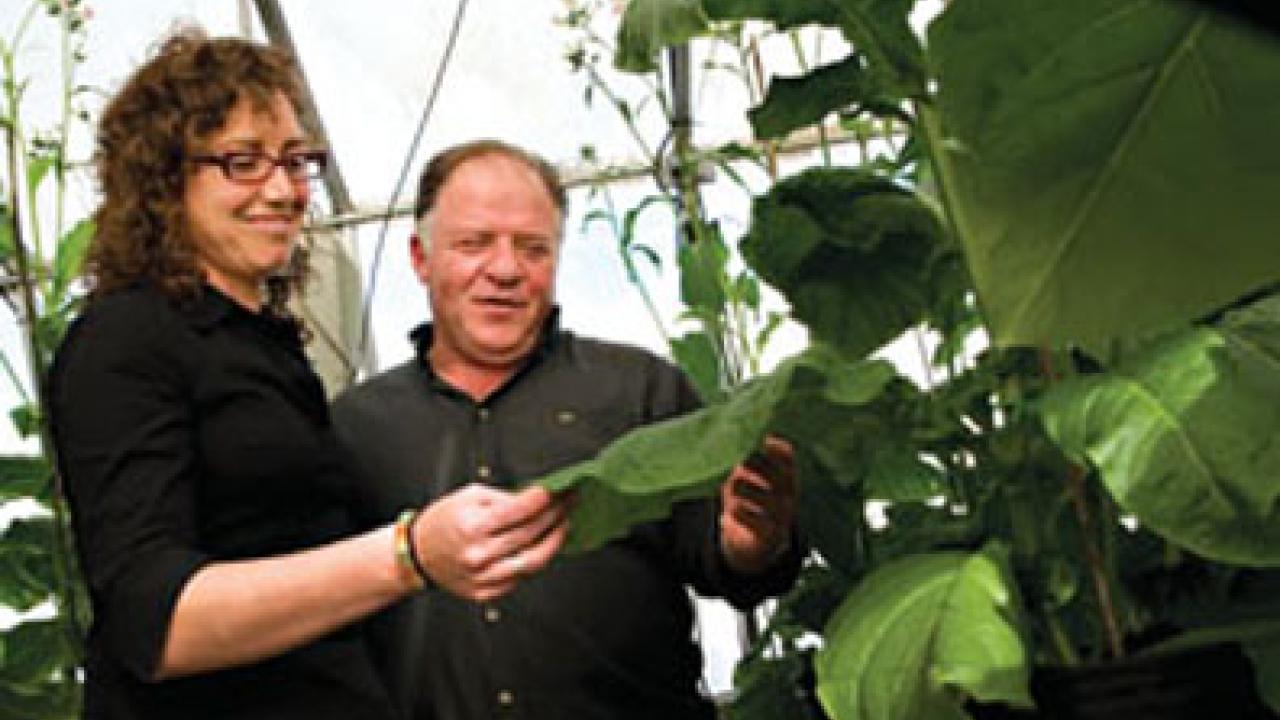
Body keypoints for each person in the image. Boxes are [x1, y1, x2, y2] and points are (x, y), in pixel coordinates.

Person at [48, 33, 566, 720]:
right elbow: (158, 621)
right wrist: (407, 556)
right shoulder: (126, 340)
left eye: (297, 162)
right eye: (242, 162)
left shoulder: (261, 343)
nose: (282, 189)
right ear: (164, 179)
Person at [332, 139, 803, 720]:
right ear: (420, 258)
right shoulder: (355, 426)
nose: (504, 270)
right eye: (474, 244)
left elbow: (726, 563)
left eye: (533, 248)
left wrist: (750, 546)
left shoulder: (638, 389)